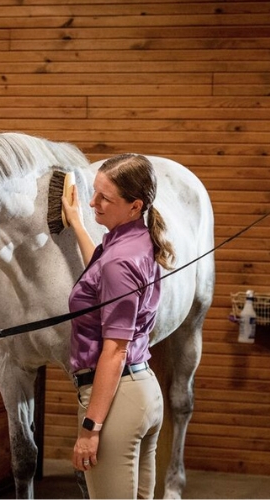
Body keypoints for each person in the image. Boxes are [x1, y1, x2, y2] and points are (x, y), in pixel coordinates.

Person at [61, 153, 176, 499]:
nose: (94, 202)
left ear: (134, 204)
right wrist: (79, 224)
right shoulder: (132, 240)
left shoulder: (120, 260)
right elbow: (100, 277)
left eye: (104, 198)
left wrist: (91, 428)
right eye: (94, 193)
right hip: (141, 392)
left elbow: (115, 348)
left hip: (116, 403)